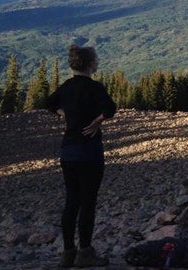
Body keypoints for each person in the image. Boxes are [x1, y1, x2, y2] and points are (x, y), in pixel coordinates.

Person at [46, 44, 117, 268]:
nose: (97, 62)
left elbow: (49, 103)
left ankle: (68, 253)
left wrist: (63, 113)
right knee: (88, 203)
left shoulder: (66, 87)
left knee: (71, 202)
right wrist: (97, 122)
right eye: (95, 60)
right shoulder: (94, 88)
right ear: (90, 64)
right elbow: (110, 109)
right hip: (90, 153)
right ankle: (85, 252)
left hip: (68, 152)